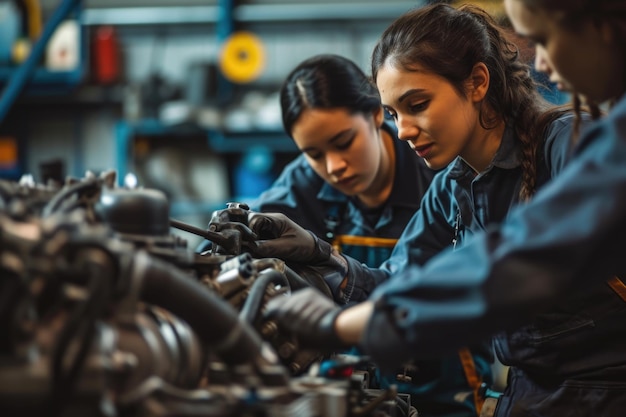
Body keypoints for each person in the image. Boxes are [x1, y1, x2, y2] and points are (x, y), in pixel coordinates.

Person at [247, 1, 626, 416]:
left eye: (418, 104)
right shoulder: (452, 186)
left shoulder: (568, 147)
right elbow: (398, 283)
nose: (403, 131)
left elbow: (519, 264)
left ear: (477, 82)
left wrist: (343, 327)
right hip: (528, 395)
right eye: (393, 113)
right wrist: (325, 259)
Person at [246, 54, 490, 417]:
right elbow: (233, 245)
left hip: (445, 383)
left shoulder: (438, 179)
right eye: (314, 154)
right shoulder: (303, 183)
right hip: (353, 382)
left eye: (344, 142)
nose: (334, 166)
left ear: (377, 114)